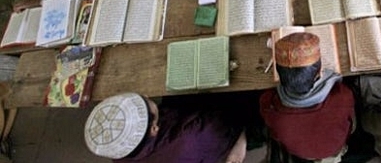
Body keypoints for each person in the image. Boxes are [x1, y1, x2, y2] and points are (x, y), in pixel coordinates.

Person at [260, 32, 355, 162]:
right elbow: (349, 120)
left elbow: (266, 103)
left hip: (302, 153)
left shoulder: (273, 109)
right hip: (333, 148)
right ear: (319, 73)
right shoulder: (342, 97)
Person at [84, 92, 247, 163]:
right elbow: (232, 120)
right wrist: (242, 138)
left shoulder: (120, 149)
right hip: (220, 128)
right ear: (154, 129)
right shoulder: (194, 137)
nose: (147, 96)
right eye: (145, 101)